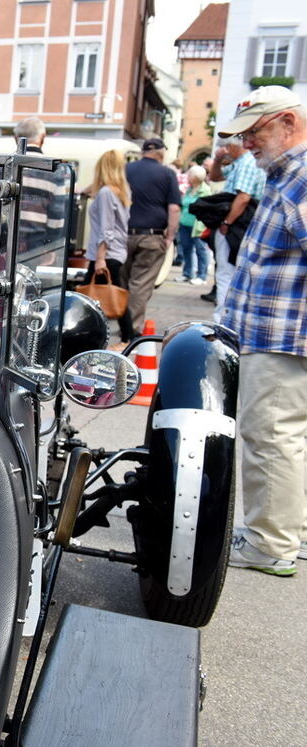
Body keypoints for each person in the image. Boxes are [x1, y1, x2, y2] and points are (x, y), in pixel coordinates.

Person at [215, 87, 307, 576]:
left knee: (271, 436)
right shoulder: (287, 174)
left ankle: (270, 544)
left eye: (254, 132)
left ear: (288, 122)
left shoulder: (301, 176)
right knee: (284, 437)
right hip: (278, 335)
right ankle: (287, 531)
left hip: (283, 338)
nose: (246, 143)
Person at [0, 117, 66, 251]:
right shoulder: (55, 170)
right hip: (36, 244)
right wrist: (50, 246)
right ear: (43, 137)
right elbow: (57, 214)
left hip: (4, 239)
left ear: (16, 138)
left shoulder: (6, 165)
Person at [123, 137, 180, 331]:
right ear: (161, 154)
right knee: (140, 284)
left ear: (143, 152)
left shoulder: (126, 169)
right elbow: (174, 208)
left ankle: (121, 322)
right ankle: (131, 330)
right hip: (152, 236)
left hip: (124, 234)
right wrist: (170, 237)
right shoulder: (167, 174)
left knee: (124, 282)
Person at [204, 134, 265, 317]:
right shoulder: (240, 163)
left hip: (237, 224)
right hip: (241, 223)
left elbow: (243, 197)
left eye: (227, 148)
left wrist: (226, 223)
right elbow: (215, 177)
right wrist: (218, 159)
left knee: (226, 273)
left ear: (232, 146)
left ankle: (222, 317)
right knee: (230, 271)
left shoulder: (246, 163)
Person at [84, 149, 135, 345]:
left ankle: (126, 338)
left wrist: (100, 258)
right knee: (114, 296)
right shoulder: (122, 190)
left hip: (105, 254)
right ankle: (126, 338)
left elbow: (106, 229)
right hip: (116, 251)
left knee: (92, 299)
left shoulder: (106, 193)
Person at [176, 164, 211, 285]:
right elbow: (183, 204)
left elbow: (206, 208)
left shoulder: (205, 190)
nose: (188, 176)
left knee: (201, 250)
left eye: (190, 174)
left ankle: (202, 275)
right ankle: (187, 273)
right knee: (186, 248)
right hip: (184, 223)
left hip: (198, 225)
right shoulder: (189, 189)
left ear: (196, 177)